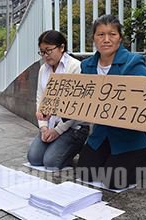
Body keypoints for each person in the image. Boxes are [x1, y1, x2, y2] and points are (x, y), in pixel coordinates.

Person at [76, 14, 146, 189]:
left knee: (113, 181)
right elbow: (81, 99)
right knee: (85, 173)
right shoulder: (86, 65)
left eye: (112, 34)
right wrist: (52, 109)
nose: (106, 39)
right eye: (100, 34)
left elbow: (145, 95)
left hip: (129, 135)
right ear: (94, 38)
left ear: (120, 38)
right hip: (102, 133)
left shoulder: (133, 62)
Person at [27, 30, 90, 170]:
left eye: (48, 50)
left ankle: (74, 149)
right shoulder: (43, 69)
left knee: (51, 163)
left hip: (73, 127)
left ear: (61, 47)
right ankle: (58, 147)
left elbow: (76, 105)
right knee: (34, 158)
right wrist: (43, 127)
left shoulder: (75, 67)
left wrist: (57, 131)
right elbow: (40, 97)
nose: (45, 55)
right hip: (50, 124)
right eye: (42, 52)